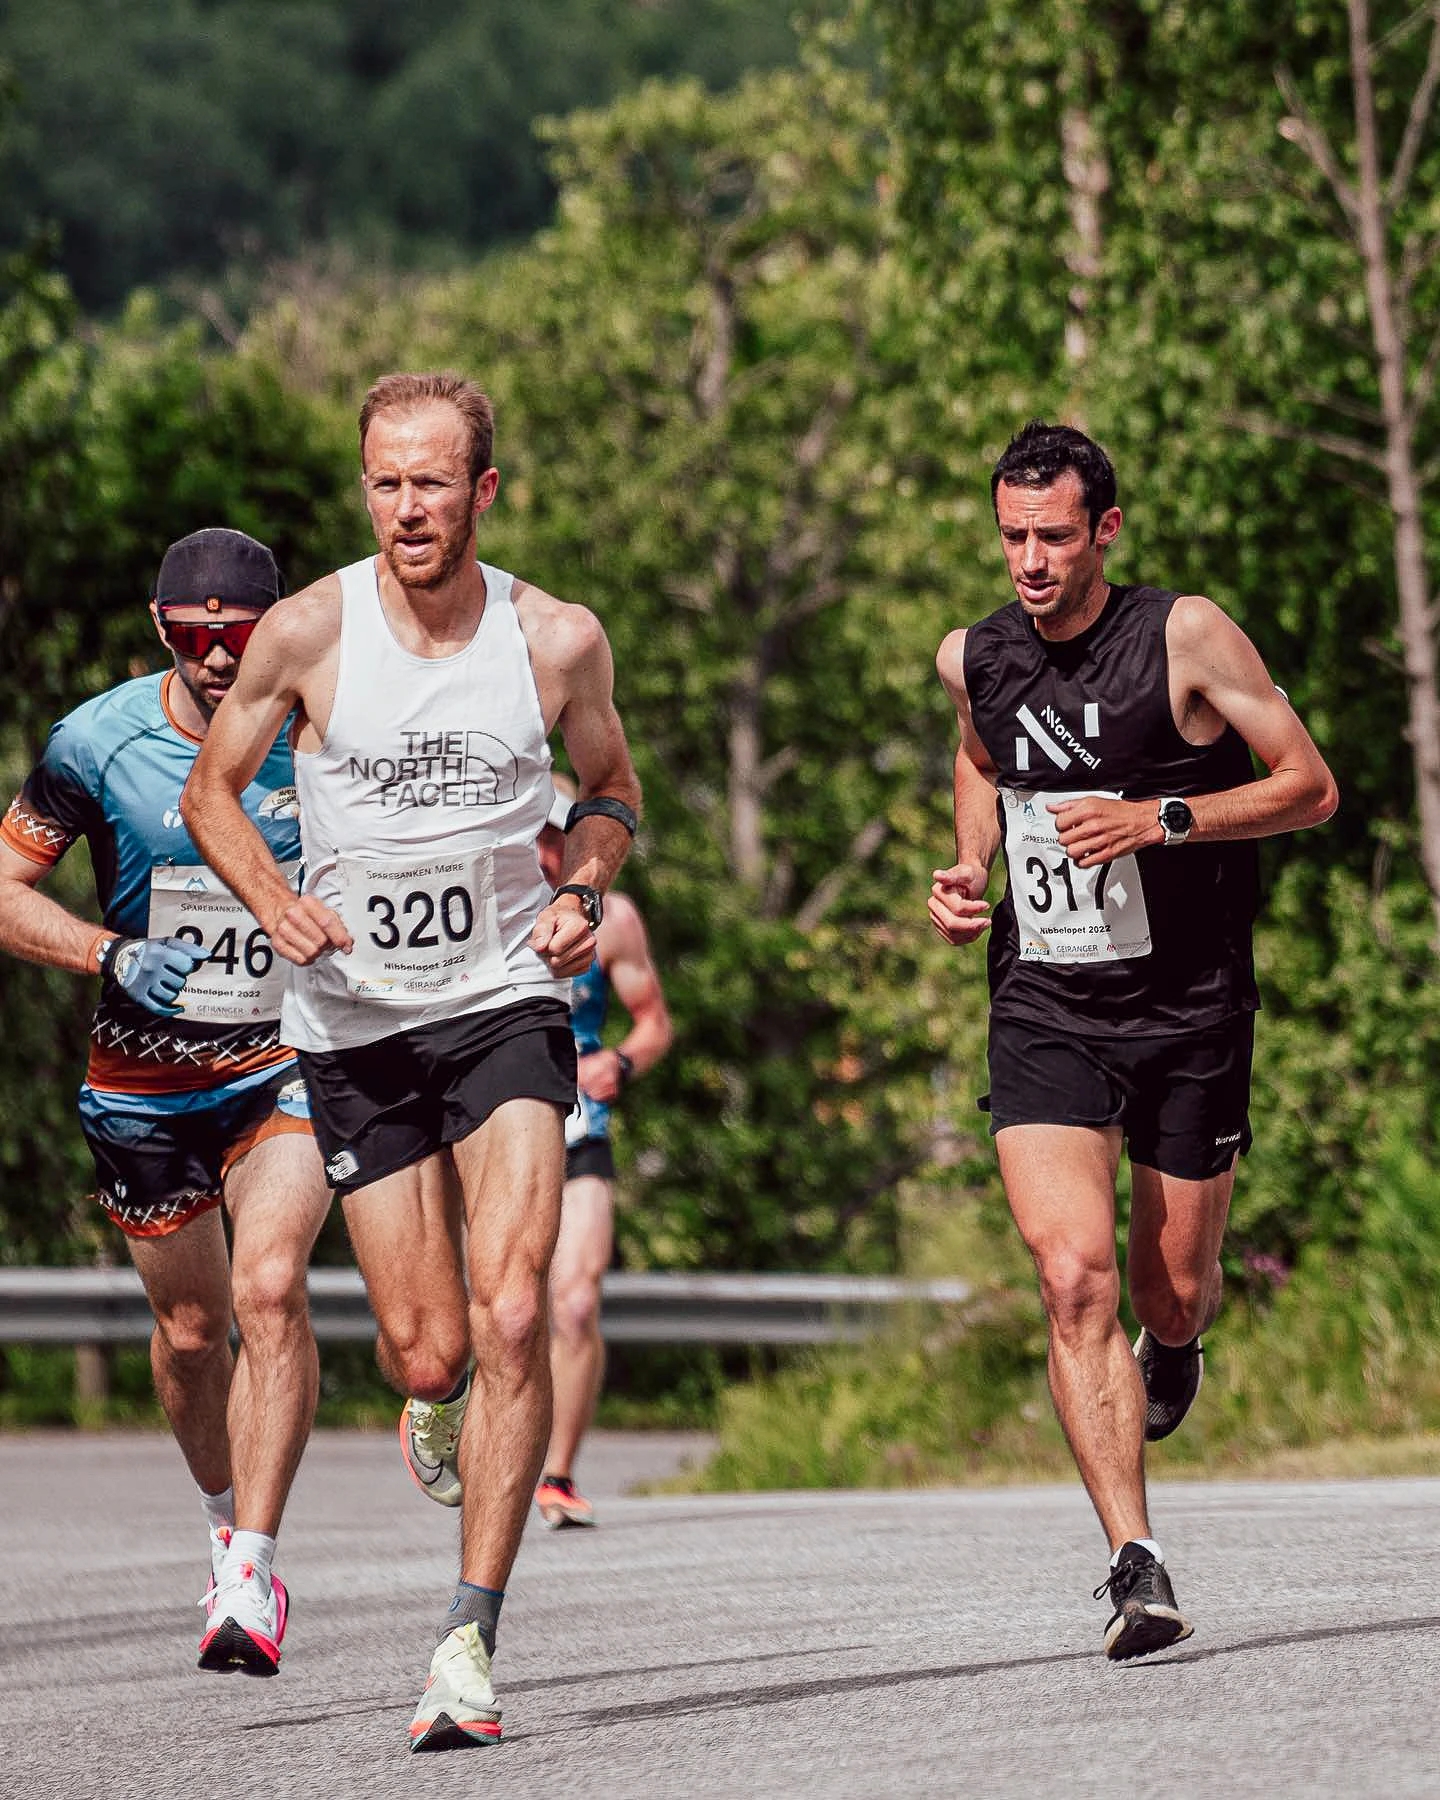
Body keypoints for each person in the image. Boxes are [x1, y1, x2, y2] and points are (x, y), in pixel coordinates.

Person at [180, 371, 642, 1753]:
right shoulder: (308, 632)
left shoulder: (553, 640)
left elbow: (610, 791)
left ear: (483, 492)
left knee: (515, 1315)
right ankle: (434, 1404)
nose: (406, 509)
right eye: (385, 482)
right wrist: (272, 898)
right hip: (358, 1022)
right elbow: (213, 789)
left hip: (503, 1000)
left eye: (432, 483)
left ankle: (467, 1642)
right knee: (430, 1343)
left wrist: (588, 886)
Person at [929, 421, 1337, 1662]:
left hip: (1192, 1008)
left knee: (1168, 1287)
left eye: (1055, 537)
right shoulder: (972, 655)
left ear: (1106, 530)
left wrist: (1161, 819)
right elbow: (980, 759)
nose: (1031, 562)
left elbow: (1308, 785)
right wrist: (968, 864)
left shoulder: (1183, 636)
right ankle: (1135, 1562)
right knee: (1071, 1278)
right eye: (1012, 537)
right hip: (1048, 1001)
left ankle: (1178, 1346)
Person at [0, 528, 330, 1677]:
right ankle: (220, 1519)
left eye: (240, 637)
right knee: (195, 1337)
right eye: (195, 639)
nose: (219, 660)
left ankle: (252, 1567)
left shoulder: (324, 727)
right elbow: (2, 889)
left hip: (282, 1062)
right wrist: (104, 954)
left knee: (271, 1285)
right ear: (160, 629)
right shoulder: (95, 741)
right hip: (144, 1083)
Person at [398, 776, 671, 1530]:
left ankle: (556, 1474)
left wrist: (620, 1063)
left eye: (561, 836)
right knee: (484, 1307)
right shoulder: (475, 911)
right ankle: (466, 1430)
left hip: (579, 1124)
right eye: (537, 836)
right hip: (490, 1124)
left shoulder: (612, 920)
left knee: (574, 1300)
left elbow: (653, 1023)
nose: (550, 852)